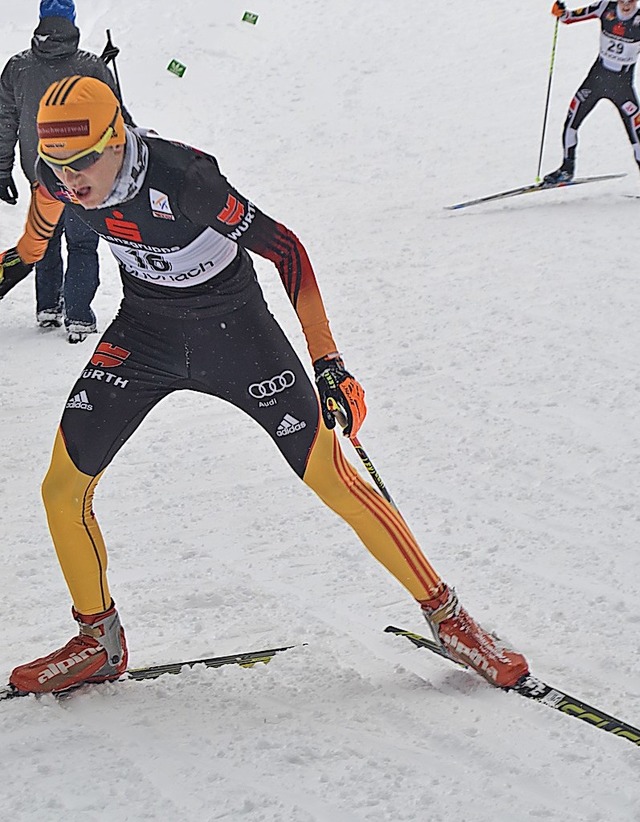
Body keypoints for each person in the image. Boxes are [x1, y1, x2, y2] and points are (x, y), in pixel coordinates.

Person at [0, 76, 529, 695]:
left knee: (333, 477)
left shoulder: (185, 178)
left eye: (82, 162)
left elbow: (289, 252)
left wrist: (329, 362)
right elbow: (29, 250)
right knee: (61, 489)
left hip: (237, 335)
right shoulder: (56, 178)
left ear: (118, 136)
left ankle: (449, 619)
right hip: (145, 335)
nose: (70, 182)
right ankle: (99, 640)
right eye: (57, 167)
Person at [0, 0, 134, 342]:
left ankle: (48, 306)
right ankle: (79, 316)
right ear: (71, 23)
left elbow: (4, 123)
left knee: (45, 239)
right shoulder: (89, 66)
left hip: (40, 173)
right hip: (84, 174)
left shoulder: (18, 68)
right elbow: (114, 115)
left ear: (41, 23)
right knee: (83, 243)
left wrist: (2, 171)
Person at [544, 0, 640, 184]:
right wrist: (560, 12)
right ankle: (566, 170)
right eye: (622, 0)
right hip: (596, 80)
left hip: (622, 87)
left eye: (631, 0)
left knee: (637, 135)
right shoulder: (605, 7)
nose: (626, 5)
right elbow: (569, 17)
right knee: (571, 122)